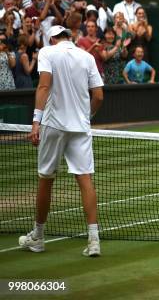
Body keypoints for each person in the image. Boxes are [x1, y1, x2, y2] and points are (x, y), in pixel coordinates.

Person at [19, 25, 104, 257]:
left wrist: (36, 121)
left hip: (53, 124)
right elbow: (98, 95)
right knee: (85, 179)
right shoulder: (87, 57)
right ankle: (94, 241)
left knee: (46, 179)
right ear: (69, 37)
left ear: (53, 38)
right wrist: (86, 117)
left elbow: (44, 85)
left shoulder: (47, 52)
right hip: (80, 127)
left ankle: (38, 237)